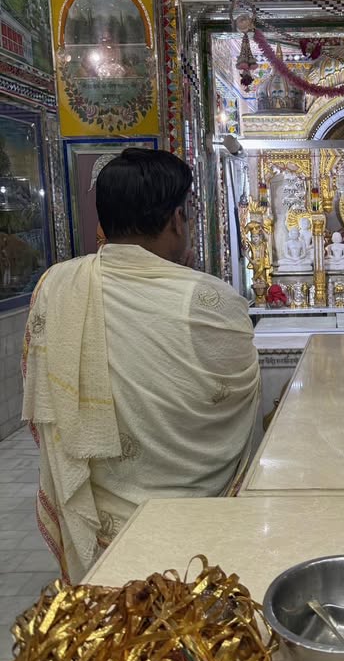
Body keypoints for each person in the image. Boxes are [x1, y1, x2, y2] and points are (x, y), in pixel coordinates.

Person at [22, 148, 260, 583]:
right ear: (177, 220)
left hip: (95, 513)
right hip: (196, 520)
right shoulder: (211, 300)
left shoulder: (57, 284)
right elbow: (233, 401)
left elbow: (44, 395)